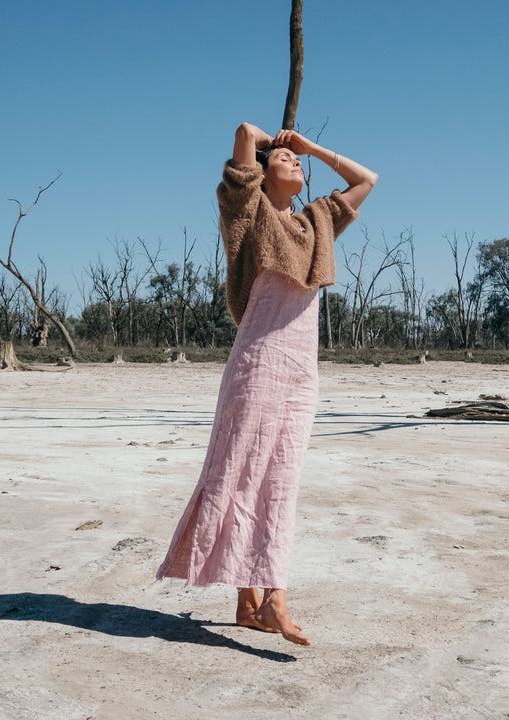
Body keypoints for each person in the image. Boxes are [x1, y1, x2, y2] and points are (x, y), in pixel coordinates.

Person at [156, 122, 378, 645]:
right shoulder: (247, 211)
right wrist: (267, 143)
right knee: (240, 472)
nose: (295, 164)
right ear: (262, 169)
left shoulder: (317, 222)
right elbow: (242, 132)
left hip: (302, 372)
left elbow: (367, 179)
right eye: (285, 160)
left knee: (281, 479)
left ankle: (247, 601)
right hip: (257, 362)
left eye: (297, 162)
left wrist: (308, 147)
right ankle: (273, 594)